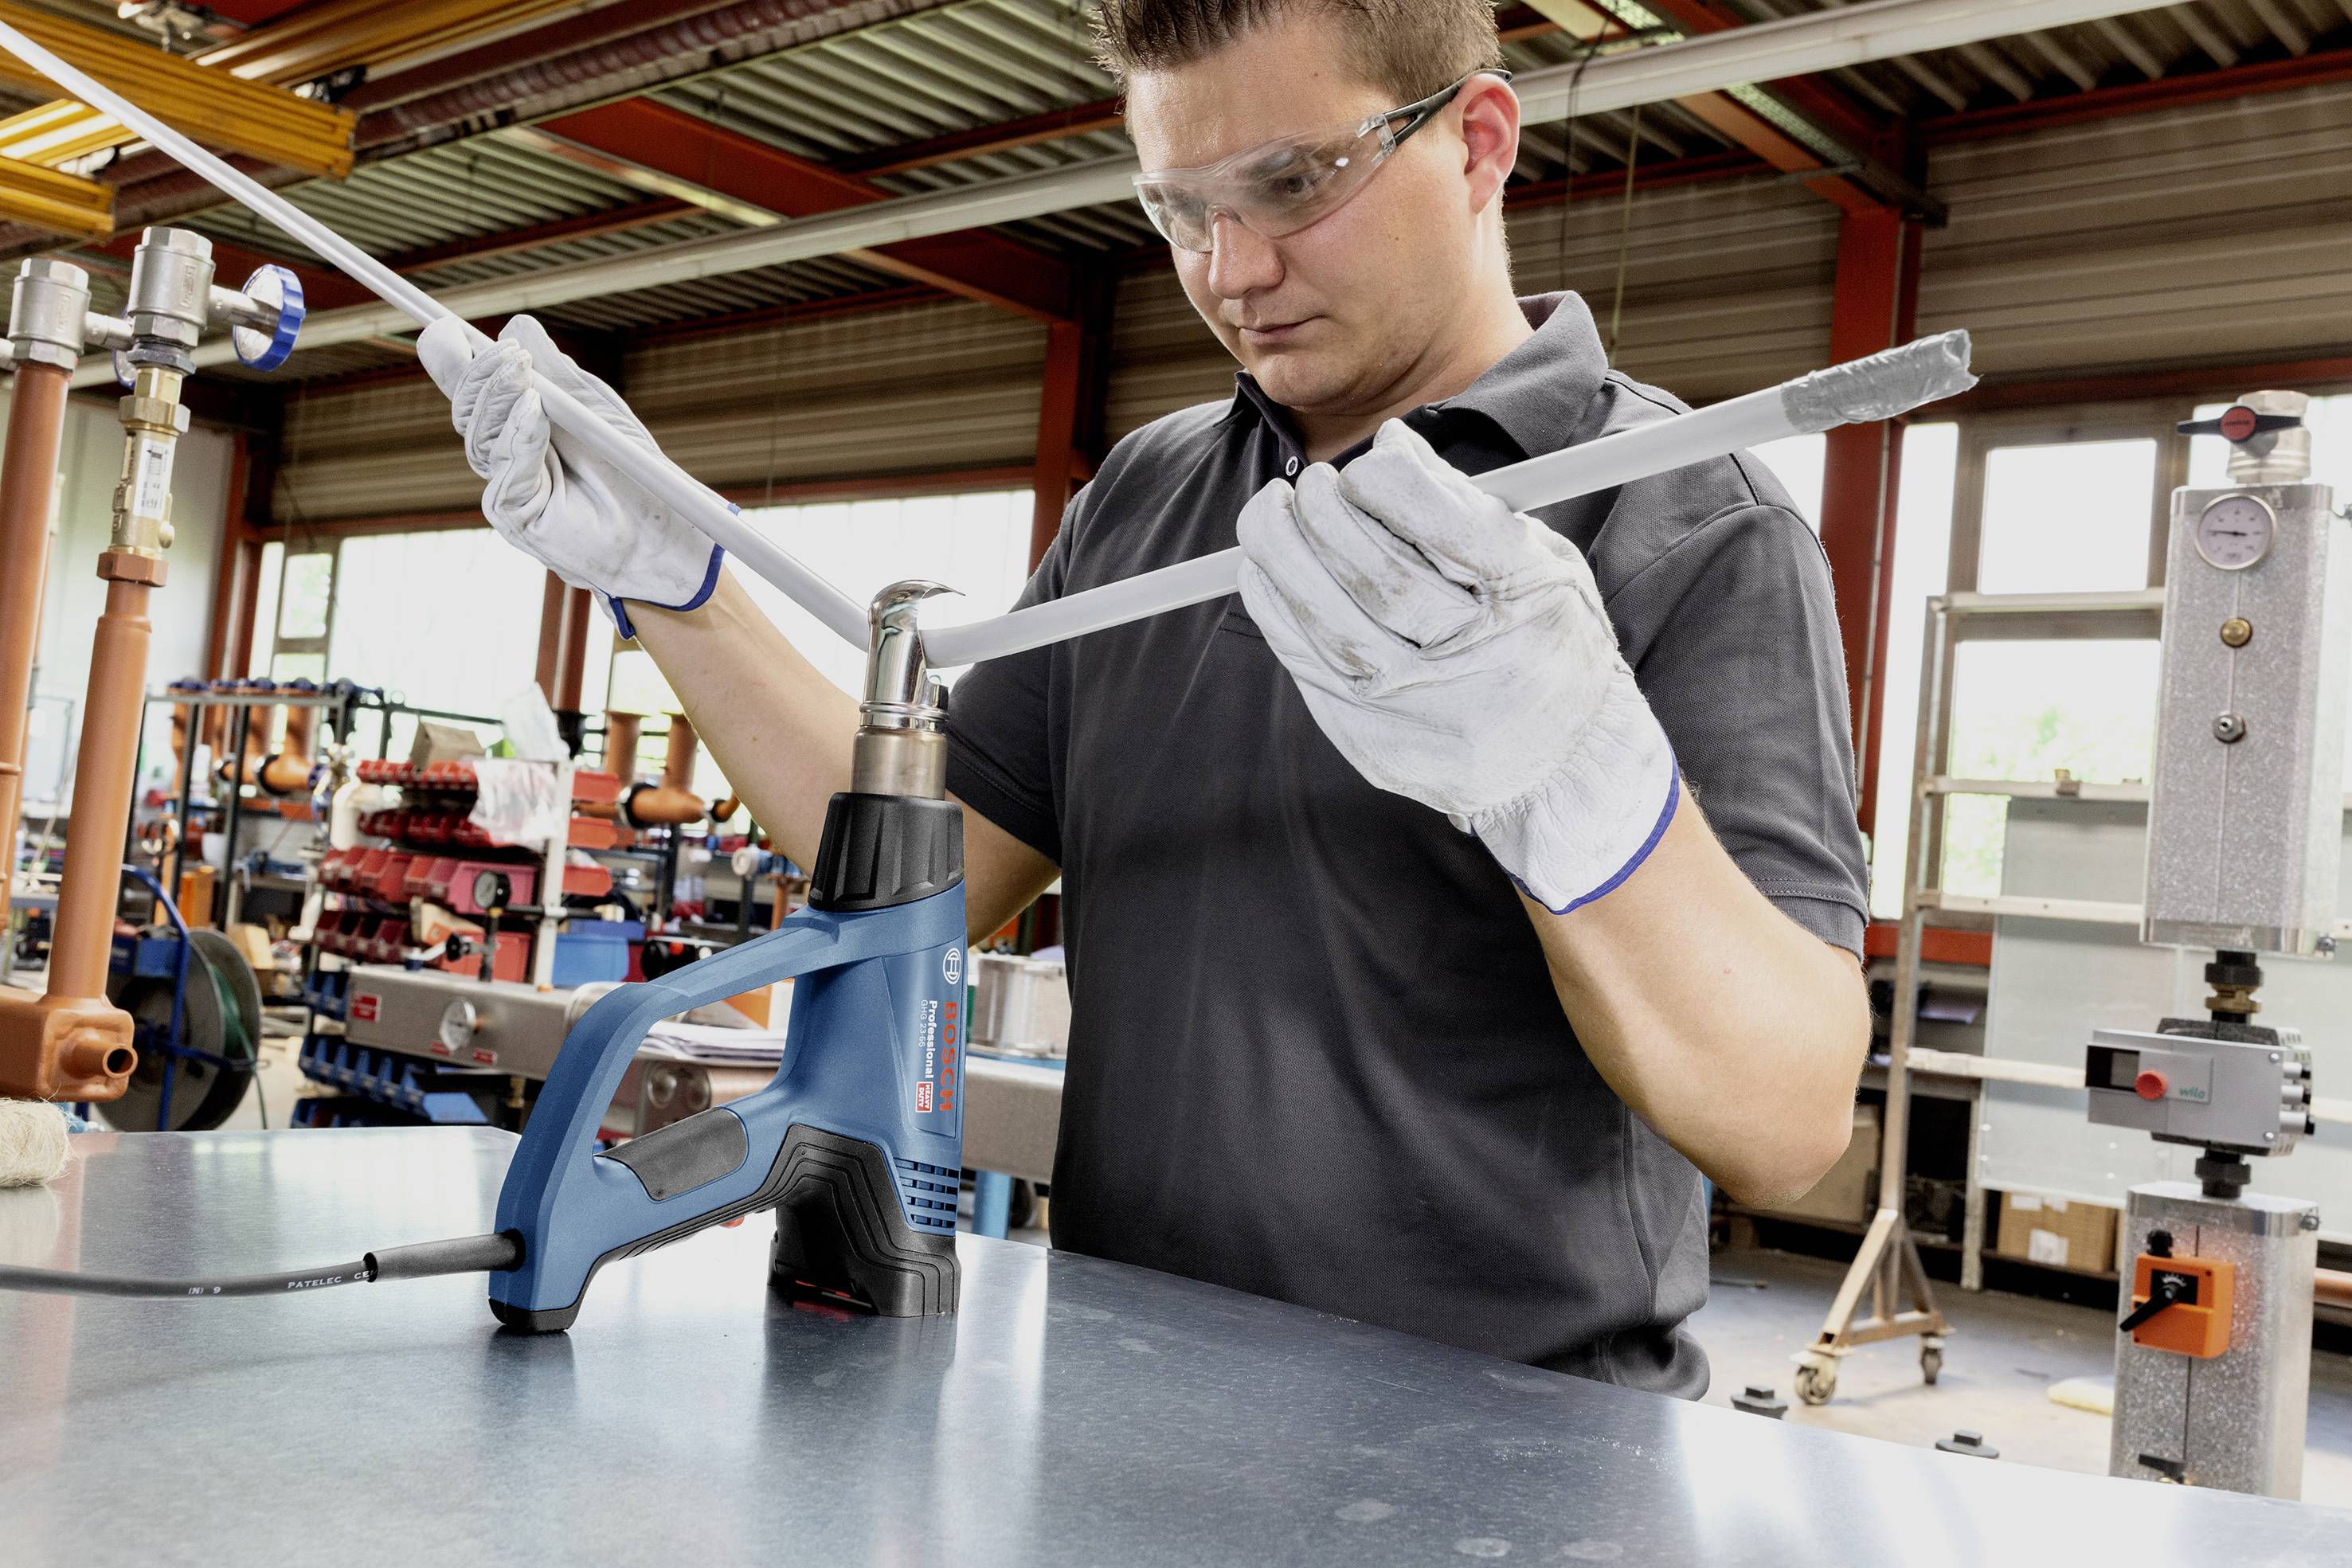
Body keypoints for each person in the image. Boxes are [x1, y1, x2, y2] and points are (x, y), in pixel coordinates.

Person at [419, 0, 1872, 1397]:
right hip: (1118, 1402)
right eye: (1179, 208)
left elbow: (1787, 1121)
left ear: (1480, 141)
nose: (1231, 269)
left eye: (1293, 183)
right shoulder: (1151, 500)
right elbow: (924, 880)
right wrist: (679, 580)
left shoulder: (1683, 527)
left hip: (1506, 1459)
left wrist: (1574, 782)